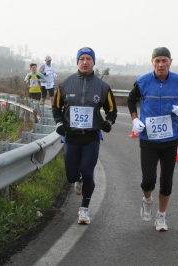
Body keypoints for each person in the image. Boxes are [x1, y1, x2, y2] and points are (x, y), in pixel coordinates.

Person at [127, 47, 178, 231]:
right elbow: (130, 100)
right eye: (157, 61)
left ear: (170, 62)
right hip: (148, 139)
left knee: (167, 181)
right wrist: (135, 119)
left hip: (170, 140)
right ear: (152, 63)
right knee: (148, 180)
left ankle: (161, 216)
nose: (160, 64)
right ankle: (147, 199)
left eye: (164, 61)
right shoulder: (142, 81)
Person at [52, 47, 117, 224]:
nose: (85, 62)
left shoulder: (102, 87)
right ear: (77, 62)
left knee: (88, 172)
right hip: (71, 137)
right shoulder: (65, 84)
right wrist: (59, 123)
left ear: (94, 62)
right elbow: (56, 107)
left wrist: (108, 123)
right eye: (82, 59)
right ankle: (77, 179)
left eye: (89, 59)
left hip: (91, 138)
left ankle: (84, 209)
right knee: (72, 176)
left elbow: (112, 111)